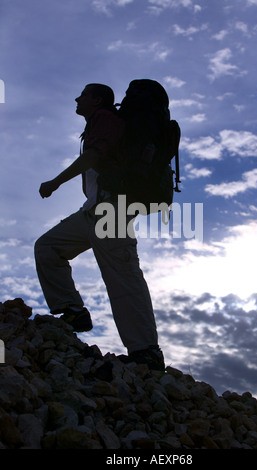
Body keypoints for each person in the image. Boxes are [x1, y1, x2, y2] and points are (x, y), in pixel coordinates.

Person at [34, 83, 165, 370]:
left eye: (82, 94)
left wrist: (55, 182)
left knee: (123, 276)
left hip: (112, 210)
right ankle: (72, 311)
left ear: (97, 100)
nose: (76, 98)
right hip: (94, 210)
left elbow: (93, 157)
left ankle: (146, 351)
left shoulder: (105, 119)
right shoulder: (98, 122)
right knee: (48, 246)